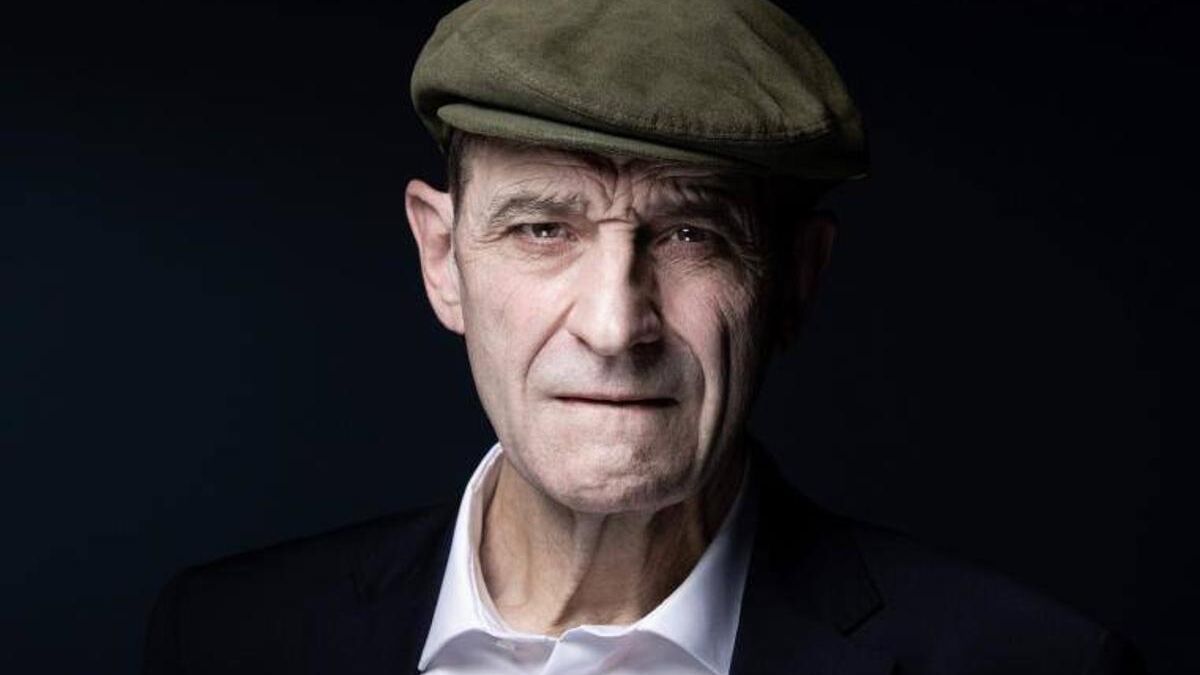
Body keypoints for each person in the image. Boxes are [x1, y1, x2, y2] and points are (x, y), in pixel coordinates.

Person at [143, 0, 1145, 673]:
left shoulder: (1030, 662)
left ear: (794, 282)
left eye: (690, 234)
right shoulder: (227, 638)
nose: (616, 325)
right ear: (442, 258)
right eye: (544, 229)